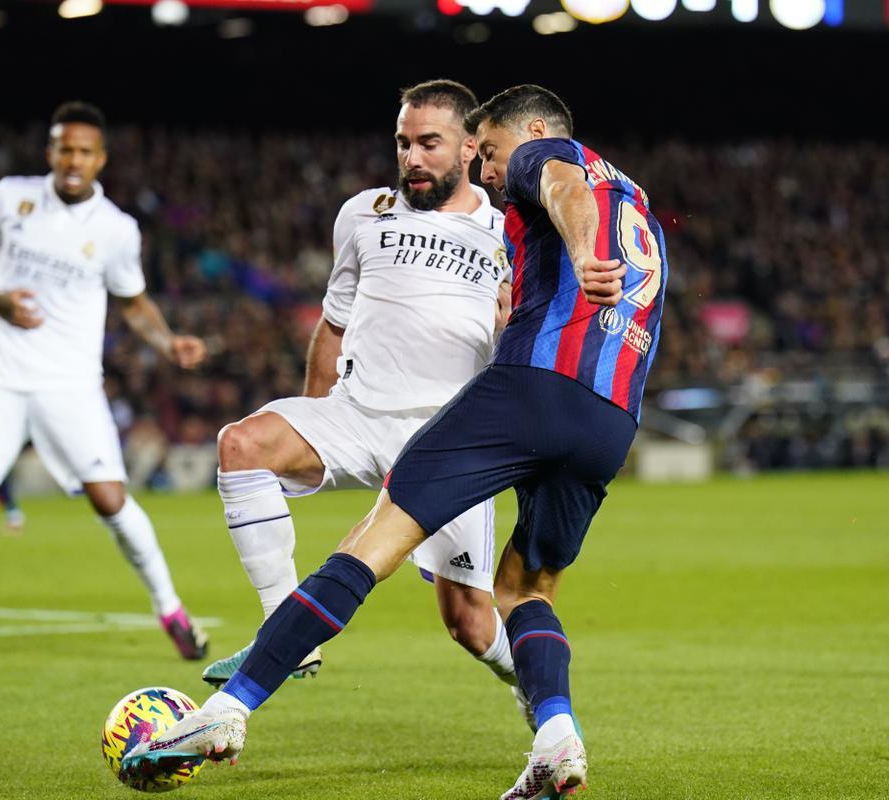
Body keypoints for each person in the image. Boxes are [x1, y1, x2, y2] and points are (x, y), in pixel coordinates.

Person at [123, 84, 668, 800]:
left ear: (520, 133)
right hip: (610, 418)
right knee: (525, 588)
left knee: (372, 547)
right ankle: (558, 737)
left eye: (496, 152)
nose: (500, 173)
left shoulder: (552, 161)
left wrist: (576, 249)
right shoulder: (642, 206)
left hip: (524, 392)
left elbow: (561, 185)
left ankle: (228, 713)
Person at [202, 79, 529, 722]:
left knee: (468, 620)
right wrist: (313, 419)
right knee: (242, 444)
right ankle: (284, 635)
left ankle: (533, 684)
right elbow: (334, 322)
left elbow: (522, 346)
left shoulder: (508, 233)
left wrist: (507, 327)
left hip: (448, 435)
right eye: (404, 142)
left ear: (469, 148)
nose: (412, 157)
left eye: (429, 143)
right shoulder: (362, 214)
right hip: (355, 410)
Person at [0, 101, 210, 673]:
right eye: (63, 148)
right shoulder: (9, 198)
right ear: (50, 152)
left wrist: (168, 341)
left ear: (100, 159)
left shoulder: (115, 230)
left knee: (111, 499)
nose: (72, 159)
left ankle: (172, 611)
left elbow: (132, 305)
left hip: (70, 384)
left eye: (84, 151)